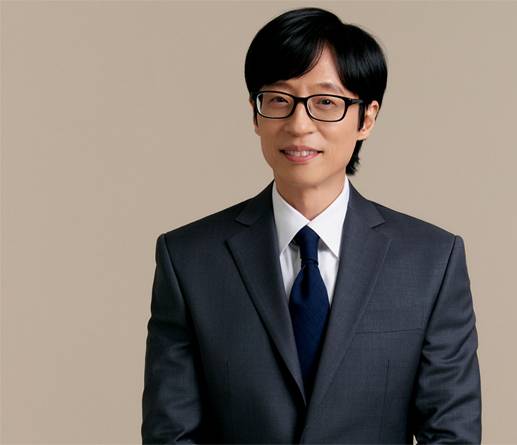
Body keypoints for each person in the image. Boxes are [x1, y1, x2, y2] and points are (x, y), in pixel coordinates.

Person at [142, 7, 481, 444]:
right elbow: (171, 433)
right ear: (255, 114)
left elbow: (451, 433)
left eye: (326, 102)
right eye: (279, 100)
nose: (299, 125)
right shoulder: (189, 259)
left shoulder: (431, 261)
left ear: (367, 118)